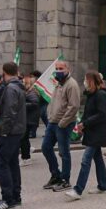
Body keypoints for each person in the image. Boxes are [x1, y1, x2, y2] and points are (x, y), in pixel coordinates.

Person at [0, 62, 26, 209]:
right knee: (12, 163)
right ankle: (15, 196)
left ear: (4, 72)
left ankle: (7, 199)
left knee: (1, 163)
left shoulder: (10, 88)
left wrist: (4, 131)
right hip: (17, 130)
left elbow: (9, 112)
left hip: (10, 132)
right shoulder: (18, 86)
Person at [66, 72, 106, 200]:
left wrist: (85, 123)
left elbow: (102, 114)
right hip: (92, 131)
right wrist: (82, 124)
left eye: (86, 80)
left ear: (92, 81)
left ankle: (78, 190)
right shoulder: (92, 94)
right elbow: (88, 113)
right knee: (98, 159)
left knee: (86, 160)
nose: (84, 82)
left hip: (98, 132)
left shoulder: (101, 95)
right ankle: (103, 185)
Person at [41, 61, 81, 192]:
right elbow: (53, 102)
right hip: (52, 122)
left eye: (61, 68)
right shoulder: (58, 84)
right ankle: (55, 175)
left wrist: (63, 122)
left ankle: (65, 180)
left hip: (64, 123)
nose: (58, 71)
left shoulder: (71, 84)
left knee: (64, 152)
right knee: (46, 147)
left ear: (67, 69)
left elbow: (74, 106)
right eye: (57, 68)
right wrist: (49, 115)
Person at [20, 73, 40, 167]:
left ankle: (26, 158)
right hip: (28, 118)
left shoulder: (32, 93)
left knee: (23, 138)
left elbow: (34, 103)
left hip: (29, 119)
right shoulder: (29, 92)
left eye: (24, 83)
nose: (23, 84)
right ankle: (27, 152)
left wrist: (22, 105)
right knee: (24, 138)